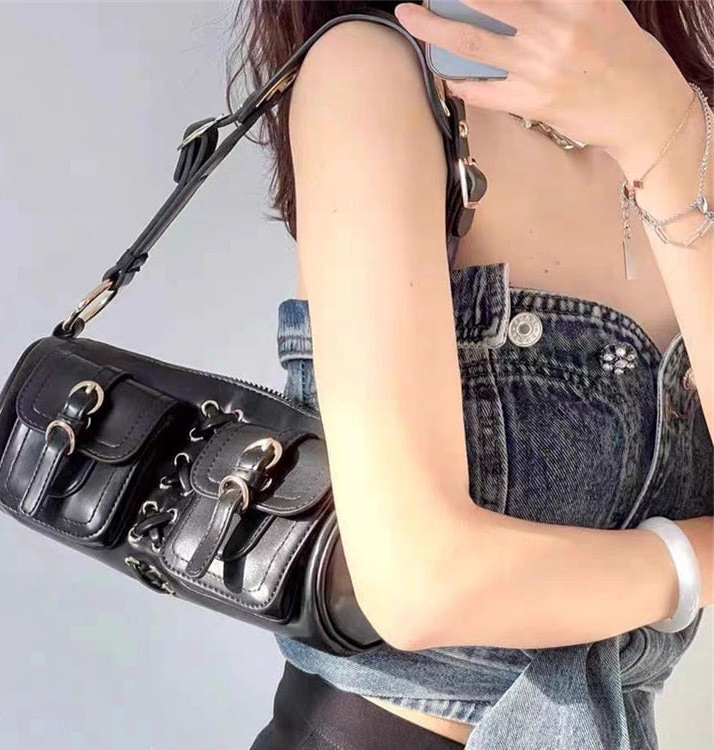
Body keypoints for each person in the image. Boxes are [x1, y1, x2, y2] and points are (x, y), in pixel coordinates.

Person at [219, 1, 714, 748]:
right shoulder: (374, 73)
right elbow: (418, 586)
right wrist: (693, 558)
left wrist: (660, 132)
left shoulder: (688, 124)